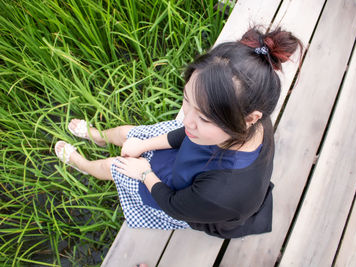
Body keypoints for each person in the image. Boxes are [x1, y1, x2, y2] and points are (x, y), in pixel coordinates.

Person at [55, 26, 302, 238]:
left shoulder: (220, 192)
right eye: (187, 100)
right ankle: (98, 136)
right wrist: (145, 145)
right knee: (133, 134)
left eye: (204, 117)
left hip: (185, 196)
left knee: (115, 167)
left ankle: (82, 163)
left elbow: (173, 204)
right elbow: (186, 132)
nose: (187, 119)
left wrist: (145, 174)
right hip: (195, 160)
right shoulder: (240, 124)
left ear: (249, 118)